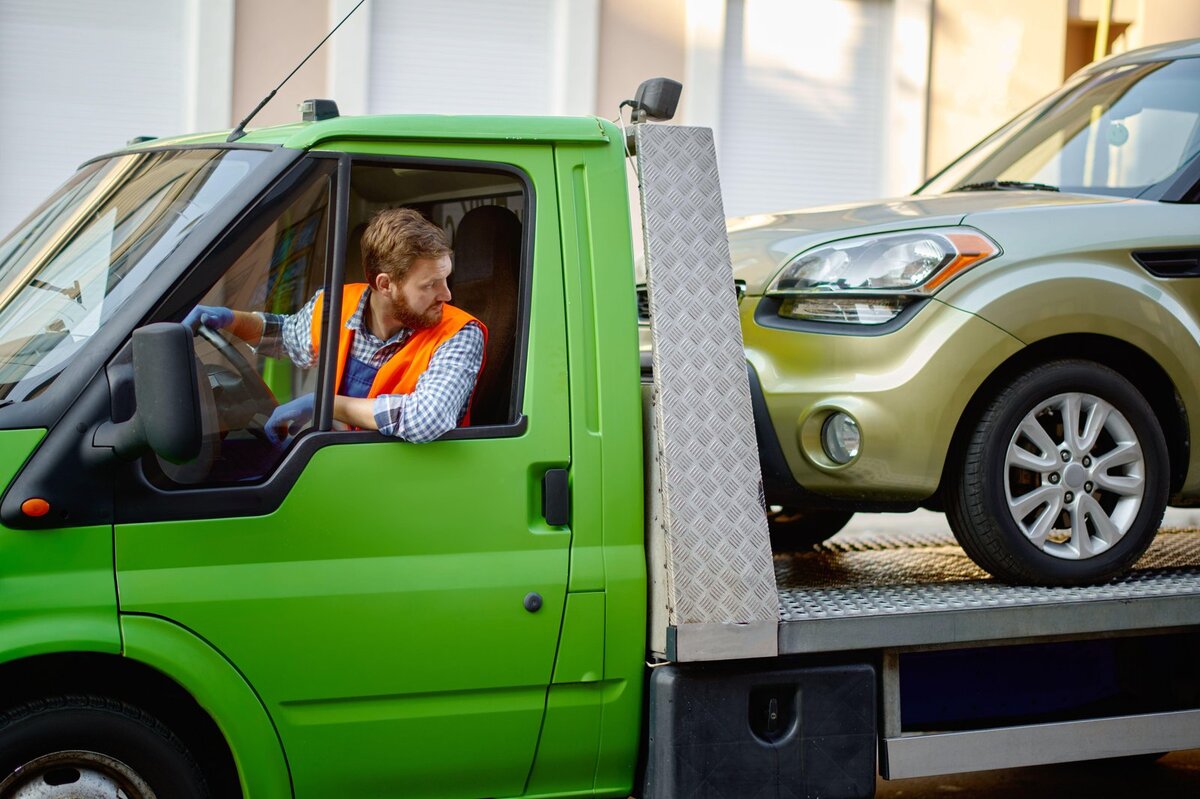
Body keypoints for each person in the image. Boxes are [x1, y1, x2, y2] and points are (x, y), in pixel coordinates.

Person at [185, 208, 486, 444]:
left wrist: (327, 405)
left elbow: (427, 419)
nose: (447, 294)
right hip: (349, 467)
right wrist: (231, 319)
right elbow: (286, 336)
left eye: (445, 279)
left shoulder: (459, 334)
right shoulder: (334, 306)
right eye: (431, 284)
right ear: (385, 284)